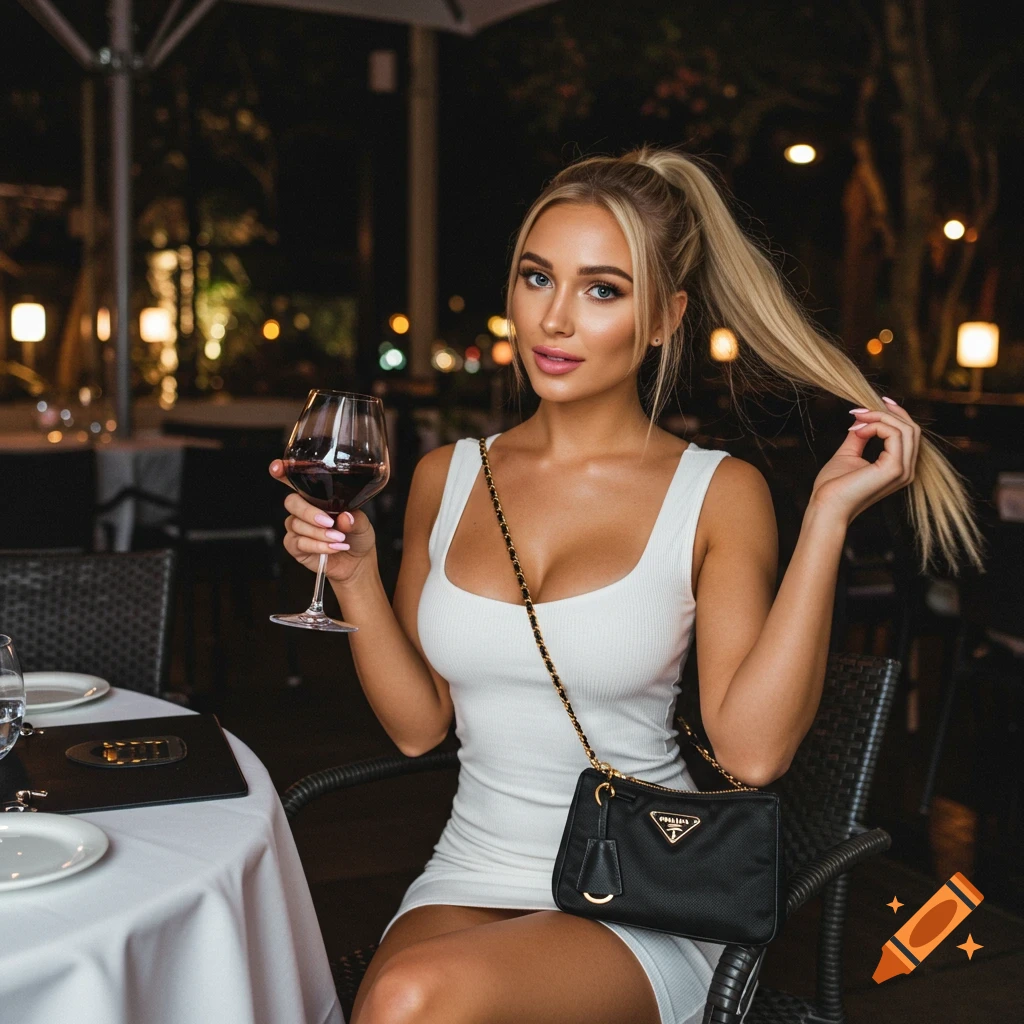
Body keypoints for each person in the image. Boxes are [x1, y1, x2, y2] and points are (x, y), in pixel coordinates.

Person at [269, 146, 983, 1024]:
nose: (555, 318)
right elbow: (419, 727)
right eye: (537, 277)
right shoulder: (444, 477)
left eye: (602, 290)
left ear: (662, 319)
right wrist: (353, 578)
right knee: (394, 1001)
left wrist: (827, 521)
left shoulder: (716, 493)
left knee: (408, 998)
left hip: (642, 888)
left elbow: (754, 755)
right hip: (471, 868)